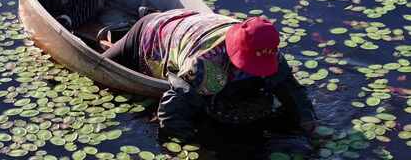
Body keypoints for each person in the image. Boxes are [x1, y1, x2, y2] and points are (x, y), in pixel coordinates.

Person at [103, 9, 317, 156]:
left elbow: (291, 90)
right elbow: (173, 111)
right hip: (151, 31)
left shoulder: (270, 53)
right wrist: (186, 148)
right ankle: (121, 33)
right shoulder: (208, 63)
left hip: (189, 23)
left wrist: (307, 123)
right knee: (102, 68)